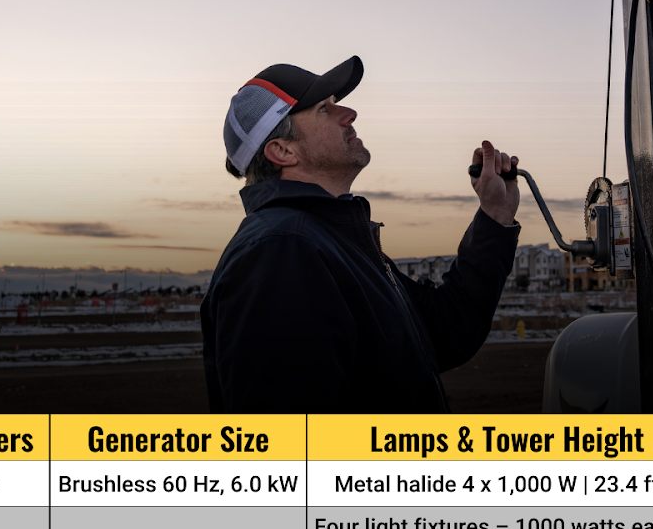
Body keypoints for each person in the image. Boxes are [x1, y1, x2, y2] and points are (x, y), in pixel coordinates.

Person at [203, 56, 520, 411]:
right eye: (324, 109)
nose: (348, 113)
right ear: (282, 151)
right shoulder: (280, 252)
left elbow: (445, 331)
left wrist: (495, 216)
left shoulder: (332, 243)